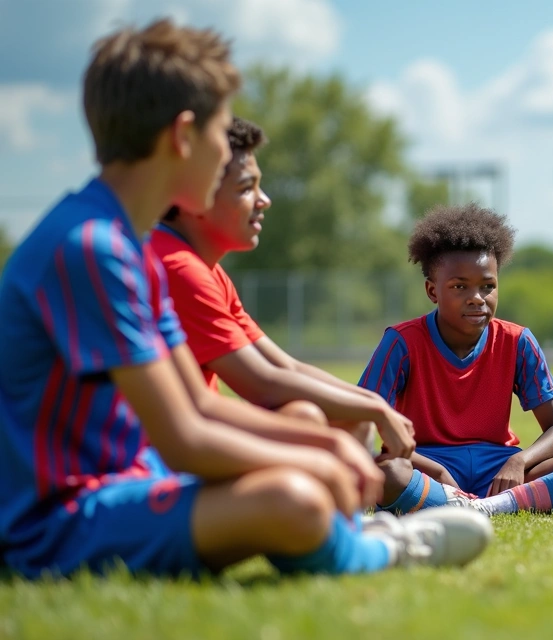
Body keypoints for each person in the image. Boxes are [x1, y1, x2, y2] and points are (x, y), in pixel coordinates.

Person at [0, 19, 490, 579]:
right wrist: (318, 458)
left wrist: (326, 451)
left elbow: (202, 407)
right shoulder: (92, 248)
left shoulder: (129, 246)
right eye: (218, 130)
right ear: (184, 136)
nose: (224, 148)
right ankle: (386, 550)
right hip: (56, 523)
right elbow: (185, 439)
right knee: (295, 497)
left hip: (134, 481)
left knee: (308, 458)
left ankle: (348, 530)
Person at [149, 117, 470, 511]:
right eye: (246, 188)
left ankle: (345, 520)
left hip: (189, 441)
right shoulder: (179, 268)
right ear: (194, 196)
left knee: (324, 413)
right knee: (320, 419)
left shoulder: (206, 269)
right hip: (161, 459)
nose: (264, 200)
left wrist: (373, 406)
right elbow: (262, 384)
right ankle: (342, 524)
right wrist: (374, 409)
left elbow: (284, 365)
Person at [359, 204, 553, 516]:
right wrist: (435, 472)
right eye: (459, 286)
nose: (477, 297)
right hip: (426, 467)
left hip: (499, 471)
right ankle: (473, 503)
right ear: (432, 291)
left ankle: (481, 507)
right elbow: (364, 421)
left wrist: (518, 461)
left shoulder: (517, 341)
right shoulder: (401, 342)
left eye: (487, 286)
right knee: (385, 472)